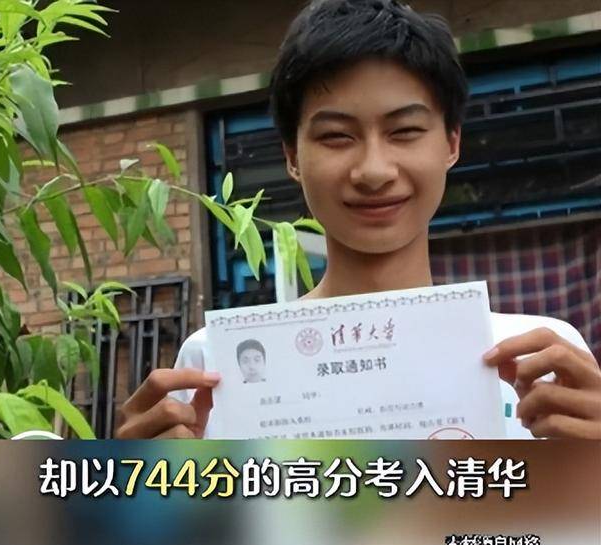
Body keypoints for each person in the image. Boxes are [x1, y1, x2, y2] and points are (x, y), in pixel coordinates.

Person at [116, 0, 601, 440]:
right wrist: (139, 488)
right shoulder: (215, 366)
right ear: (292, 156)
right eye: (336, 136)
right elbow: (197, 513)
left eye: (404, 131)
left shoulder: (543, 361)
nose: (374, 171)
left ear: (452, 143)